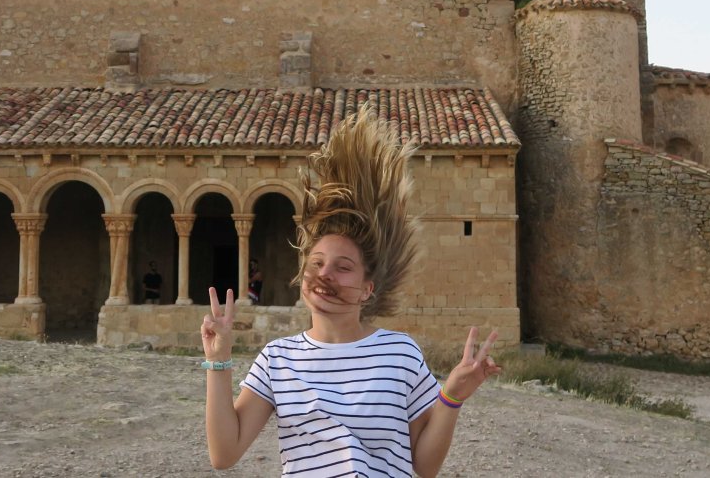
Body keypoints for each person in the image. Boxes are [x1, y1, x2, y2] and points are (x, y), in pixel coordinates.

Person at [200, 105, 501, 476]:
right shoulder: (278, 359)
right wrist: (218, 361)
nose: (326, 275)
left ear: (366, 289)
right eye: (317, 263)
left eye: (343, 268)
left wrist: (451, 396)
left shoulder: (400, 352)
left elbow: (423, 468)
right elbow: (224, 454)